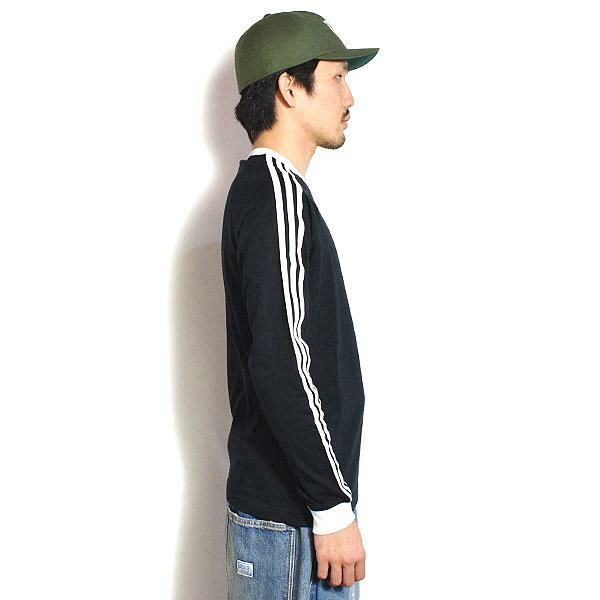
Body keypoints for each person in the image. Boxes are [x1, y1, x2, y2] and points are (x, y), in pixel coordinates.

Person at [220, 11, 379, 598]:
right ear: (290, 86)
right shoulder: (276, 195)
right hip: (295, 527)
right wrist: (332, 508)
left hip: (287, 522)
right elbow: (283, 359)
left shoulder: (262, 194)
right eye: (337, 77)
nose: (350, 96)